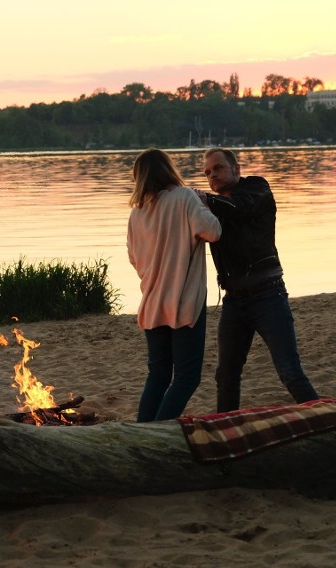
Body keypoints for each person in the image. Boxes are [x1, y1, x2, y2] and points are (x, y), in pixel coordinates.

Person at [197, 148, 318, 412]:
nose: (212, 175)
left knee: (289, 372)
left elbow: (240, 208)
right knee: (226, 376)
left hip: (268, 295)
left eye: (217, 168)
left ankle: (327, 419)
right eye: (207, 172)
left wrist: (200, 198)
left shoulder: (257, 189)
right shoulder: (213, 211)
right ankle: (227, 430)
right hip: (234, 302)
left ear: (236, 169)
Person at [127, 148, 222, 422]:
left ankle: (141, 431)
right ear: (168, 169)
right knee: (187, 377)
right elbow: (213, 231)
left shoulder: (137, 213)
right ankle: (154, 432)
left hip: (152, 303)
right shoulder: (185, 197)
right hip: (183, 303)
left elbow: (134, 258)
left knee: (158, 375)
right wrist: (203, 204)